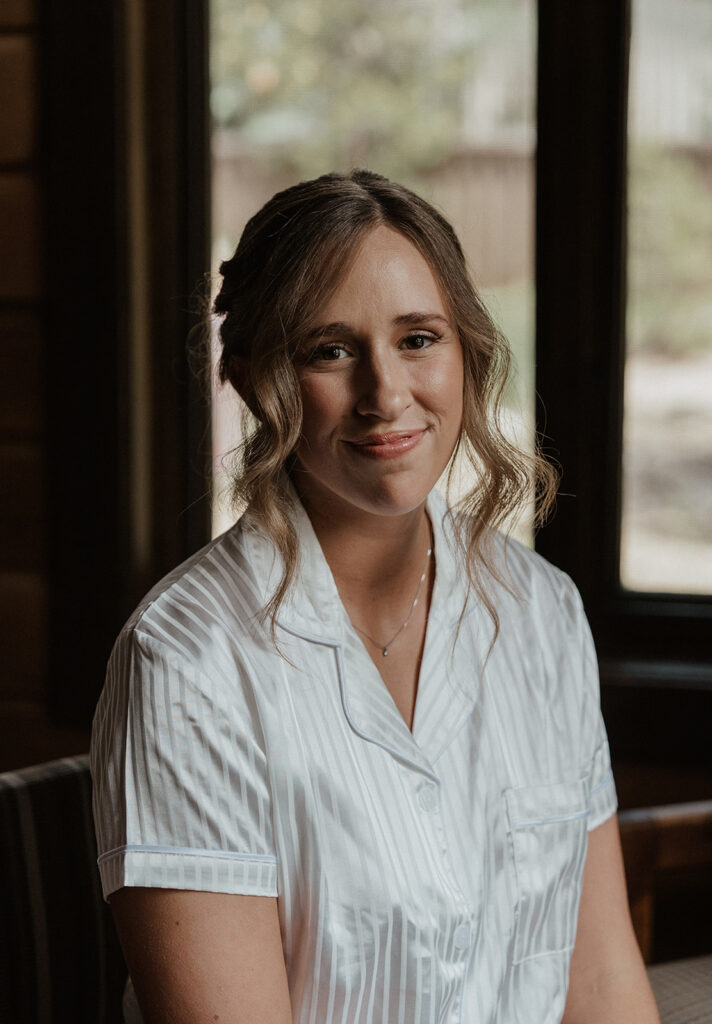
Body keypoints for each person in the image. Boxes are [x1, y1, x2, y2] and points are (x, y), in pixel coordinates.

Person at [90, 170, 660, 1024]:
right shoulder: (187, 661)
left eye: (419, 339)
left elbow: (604, 988)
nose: (386, 395)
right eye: (330, 349)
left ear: (466, 349)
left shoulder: (543, 613)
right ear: (252, 382)